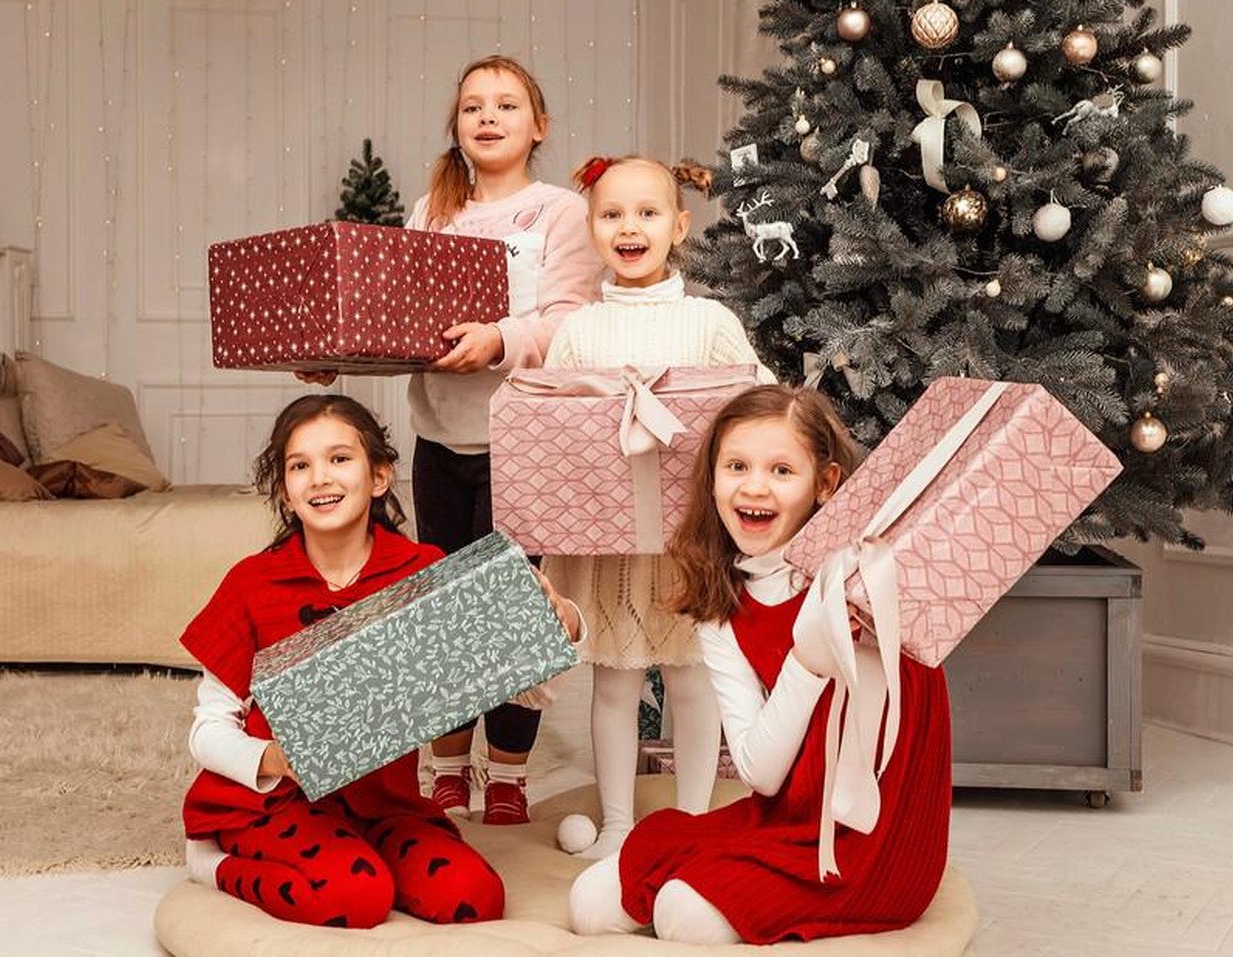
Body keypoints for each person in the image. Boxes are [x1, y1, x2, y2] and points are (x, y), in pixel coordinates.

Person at [301, 55, 603, 825]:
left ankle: (506, 771)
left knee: (511, 611)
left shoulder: (560, 212)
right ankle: (444, 764)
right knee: (435, 605)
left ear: (538, 126)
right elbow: (401, 324)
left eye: (507, 104)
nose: (488, 116)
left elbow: (575, 319)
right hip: (440, 437)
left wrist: (501, 337)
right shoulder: (427, 209)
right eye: (473, 106)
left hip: (528, 439)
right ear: (457, 126)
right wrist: (337, 352)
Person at [567, 385, 953, 944]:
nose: (753, 486)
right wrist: (807, 659)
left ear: (825, 484)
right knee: (590, 903)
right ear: (713, 477)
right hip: (786, 813)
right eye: (737, 466)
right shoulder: (726, 604)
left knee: (683, 913)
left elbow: (893, 735)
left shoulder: (864, 578)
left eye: (780, 471)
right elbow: (760, 772)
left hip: (869, 836)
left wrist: (834, 642)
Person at [179, 394, 582, 929]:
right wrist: (276, 759)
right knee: (356, 898)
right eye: (300, 466)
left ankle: (364, 858)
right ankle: (215, 864)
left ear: (380, 476)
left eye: (339, 459)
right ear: (284, 492)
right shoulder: (251, 583)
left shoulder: (424, 573)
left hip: (385, 804)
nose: (320, 477)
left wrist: (563, 622)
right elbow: (207, 729)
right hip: (278, 800)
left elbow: (526, 691)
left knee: (472, 897)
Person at [541, 154, 773, 861]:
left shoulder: (708, 320)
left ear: (679, 226)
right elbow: (550, 429)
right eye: (611, 214)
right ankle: (616, 822)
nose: (628, 227)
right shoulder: (578, 331)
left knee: (691, 677)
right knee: (612, 678)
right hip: (608, 545)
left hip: (688, 540)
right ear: (591, 229)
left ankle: (695, 819)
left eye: (646, 213)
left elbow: (759, 406)